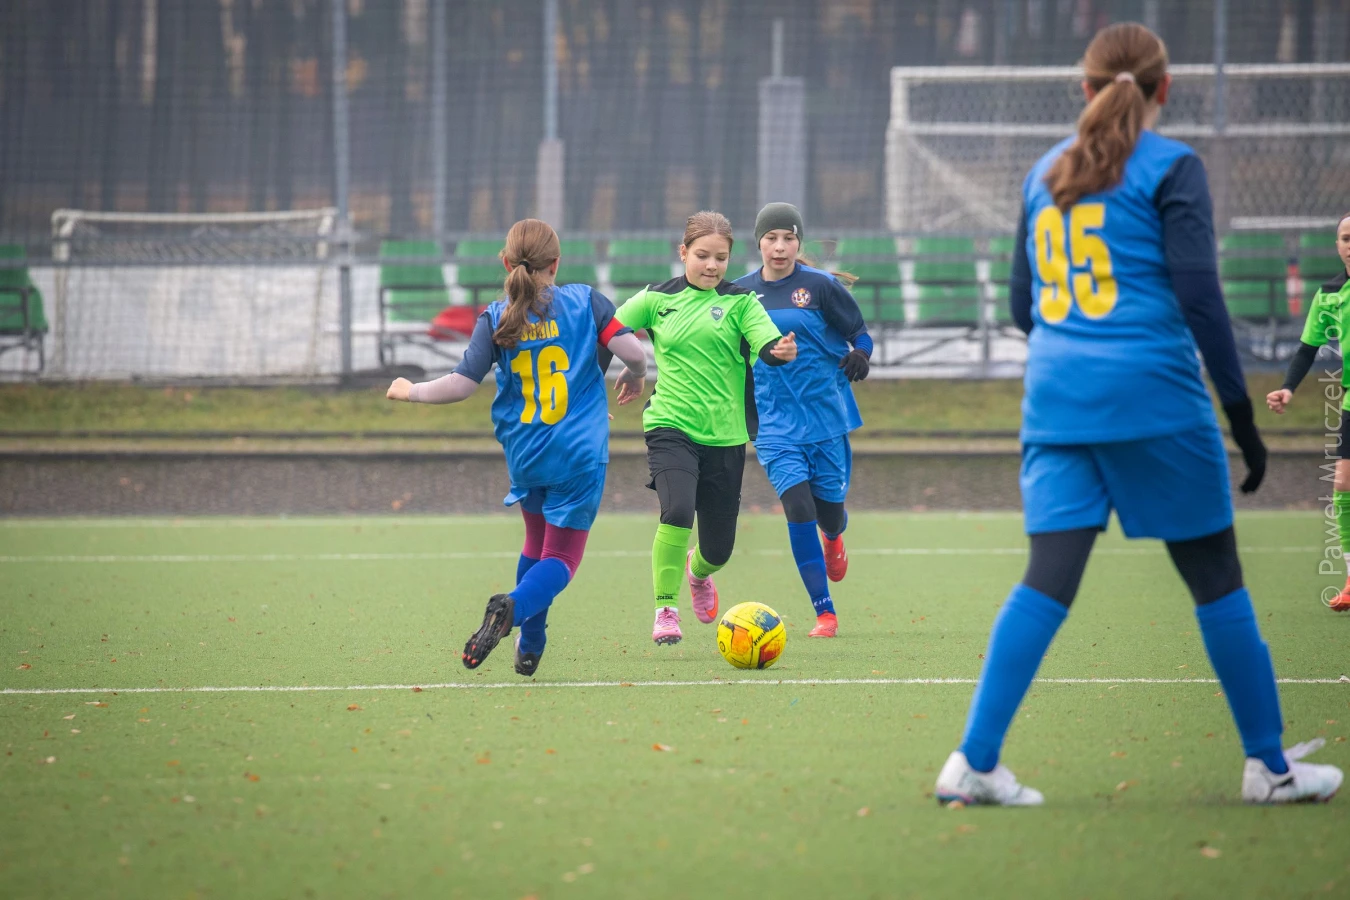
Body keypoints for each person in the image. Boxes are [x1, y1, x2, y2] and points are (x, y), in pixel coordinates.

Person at [934, 22, 1342, 806]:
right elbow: (1201, 300)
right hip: (1153, 398)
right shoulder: (1172, 166)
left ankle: (973, 762)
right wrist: (1241, 416)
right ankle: (1270, 768)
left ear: (1084, 88)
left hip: (1056, 402)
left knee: (1047, 578)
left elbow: (1022, 305)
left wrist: (1075, 354)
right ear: (1166, 90)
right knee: (1216, 578)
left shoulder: (1044, 171)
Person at [386, 218, 648, 676]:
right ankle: (513, 610)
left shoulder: (495, 316)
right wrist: (636, 376)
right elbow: (634, 354)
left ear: (506, 264)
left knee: (536, 542)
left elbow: (461, 384)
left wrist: (410, 391)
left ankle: (531, 644)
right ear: (556, 263)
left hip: (526, 454)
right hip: (578, 454)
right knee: (561, 557)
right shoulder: (586, 301)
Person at [614, 211, 798, 645]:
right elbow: (608, 331)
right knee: (677, 511)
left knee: (718, 551)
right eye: (702, 256)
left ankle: (698, 573)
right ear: (683, 253)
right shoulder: (655, 299)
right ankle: (665, 610)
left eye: (720, 258)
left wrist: (779, 350)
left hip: (726, 436)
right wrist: (634, 369)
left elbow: (766, 343)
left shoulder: (742, 303)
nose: (712, 265)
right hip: (670, 425)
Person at [733, 202, 872, 638]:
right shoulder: (739, 294)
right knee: (798, 508)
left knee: (830, 515)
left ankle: (834, 537)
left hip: (825, 419)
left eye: (788, 238)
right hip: (774, 424)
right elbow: (728, 356)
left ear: (798, 242)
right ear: (758, 242)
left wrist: (861, 354)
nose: (780, 247)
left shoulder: (821, 286)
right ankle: (824, 612)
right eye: (771, 238)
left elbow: (860, 333)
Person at [1267, 213, 1350, 612]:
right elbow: (1306, 350)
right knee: (1343, 484)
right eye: (1346, 238)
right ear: (1337, 246)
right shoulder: (1329, 295)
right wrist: (1287, 388)